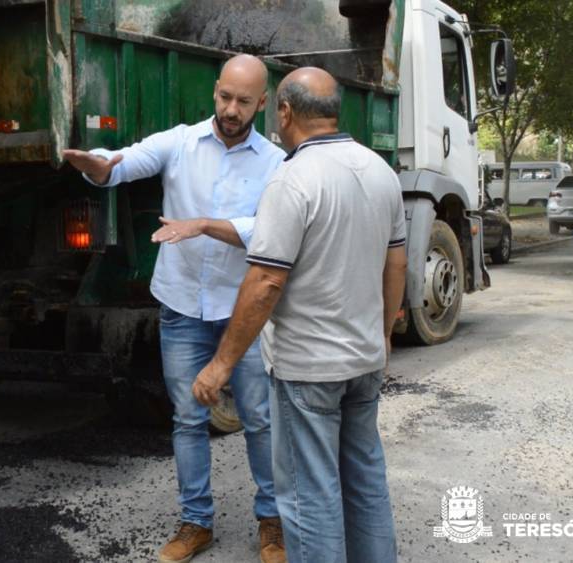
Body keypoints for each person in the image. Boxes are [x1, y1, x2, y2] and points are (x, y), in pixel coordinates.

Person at [62, 54, 288, 563]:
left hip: (243, 311)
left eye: (244, 102)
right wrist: (100, 167)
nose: (232, 109)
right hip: (182, 306)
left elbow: (266, 229)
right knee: (188, 419)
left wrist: (205, 224)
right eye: (225, 97)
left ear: (262, 103)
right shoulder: (181, 141)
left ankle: (272, 522)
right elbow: (127, 160)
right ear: (215, 91)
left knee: (259, 418)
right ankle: (195, 523)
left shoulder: (275, 163)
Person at [191, 67, 407, 563]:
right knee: (366, 480)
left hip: (308, 370)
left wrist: (222, 363)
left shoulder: (291, 180)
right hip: (364, 362)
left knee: (310, 497)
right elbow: (396, 262)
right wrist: (383, 335)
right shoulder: (379, 171)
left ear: (284, 112)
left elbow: (266, 281)